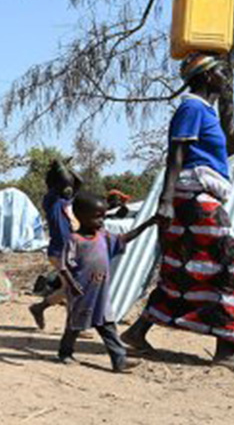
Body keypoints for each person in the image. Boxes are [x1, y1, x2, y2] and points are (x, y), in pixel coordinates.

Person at [121, 54, 234, 368]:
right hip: (193, 195)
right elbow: (177, 152)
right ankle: (227, 349)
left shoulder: (206, 111)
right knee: (225, 265)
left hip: (198, 194)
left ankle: (137, 332)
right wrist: (166, 200)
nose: (226, 77)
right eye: (221, 72)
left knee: (182, 267)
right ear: (207, 77)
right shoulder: (191, 107)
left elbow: (222, 152)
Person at [56, 191, 155, 372]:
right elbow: (63, 266)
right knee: (74, 325)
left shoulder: (104, 236)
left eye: (103, 216)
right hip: (82, 293)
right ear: (82, 217)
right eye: (97, 217)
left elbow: (124, 239)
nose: (101, 221)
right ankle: (65, 352)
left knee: (108, 325)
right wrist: (72, 285)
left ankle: (119, 360)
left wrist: (147, 225)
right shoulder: (74, 240)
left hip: (100, 293)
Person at [29, 159, 81, 329]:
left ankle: (40, 308)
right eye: (65, 183)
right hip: (58, 251)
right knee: (72, 288)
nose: (69, 187)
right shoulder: (51, 201)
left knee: (70, 288)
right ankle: (73, 326)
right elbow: (63, 182)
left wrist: (67, 169)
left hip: (70, 251)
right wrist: (59, 169)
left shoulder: (70, 200)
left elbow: (79, 182)